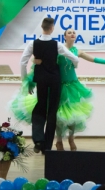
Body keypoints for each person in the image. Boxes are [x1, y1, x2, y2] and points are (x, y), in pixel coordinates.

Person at [12, 28, 105, 151]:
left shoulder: (77, 51)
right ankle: (58, 141)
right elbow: (40, 61)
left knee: (74, 114)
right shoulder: (57, 49)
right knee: (58, 115)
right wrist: (33, 66)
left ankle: (71, 138)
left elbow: (95, 60)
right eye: (69, 32)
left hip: (73, 86)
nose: (72, 34)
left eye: (74, 32)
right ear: (64, 36)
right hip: (58, 85)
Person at [19, 17, 79, 153]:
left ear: (42, 27)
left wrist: (25, 81)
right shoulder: (57, 44)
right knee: (52, 112)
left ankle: (38, 140)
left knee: (40, 108)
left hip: (41, 80)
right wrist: (74, 65)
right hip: (54, 80)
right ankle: (47, 147)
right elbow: (74, 58)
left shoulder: (33, 44)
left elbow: (23, 62)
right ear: (52, 28)